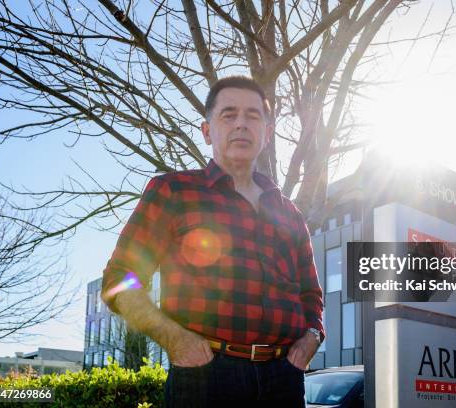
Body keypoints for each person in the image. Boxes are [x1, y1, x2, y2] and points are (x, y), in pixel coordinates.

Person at [101, 76, 325, 407]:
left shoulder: (290, 213)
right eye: (228, 114)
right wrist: (174, 339)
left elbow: (311, 296)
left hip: (284, 379)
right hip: (205, 375)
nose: (241, 124)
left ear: (266, 133)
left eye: (253, 116)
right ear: (207, 131)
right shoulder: (173, 192)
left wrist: (312, 338)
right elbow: (119, 281)